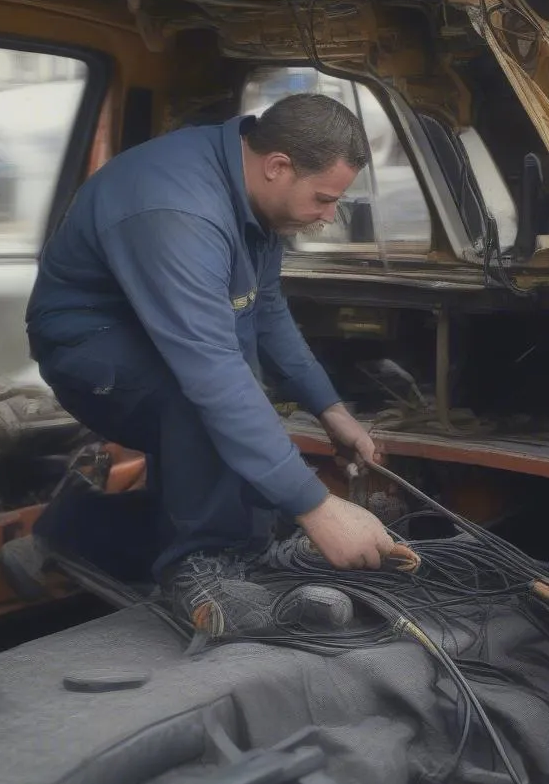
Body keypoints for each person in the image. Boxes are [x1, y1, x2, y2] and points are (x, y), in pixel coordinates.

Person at [23, 94, 395, 587]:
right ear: (277, 166)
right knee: (207, 403)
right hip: (90, 349)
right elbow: (211, 373)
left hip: (156, 335)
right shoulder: (180, 211)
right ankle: (203, 573)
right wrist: (319, 509)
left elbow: (266, 310)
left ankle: (79, 525)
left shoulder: (250, 196)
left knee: (244, 446)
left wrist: (332, 412)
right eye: (324, 199)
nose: (328, 216)